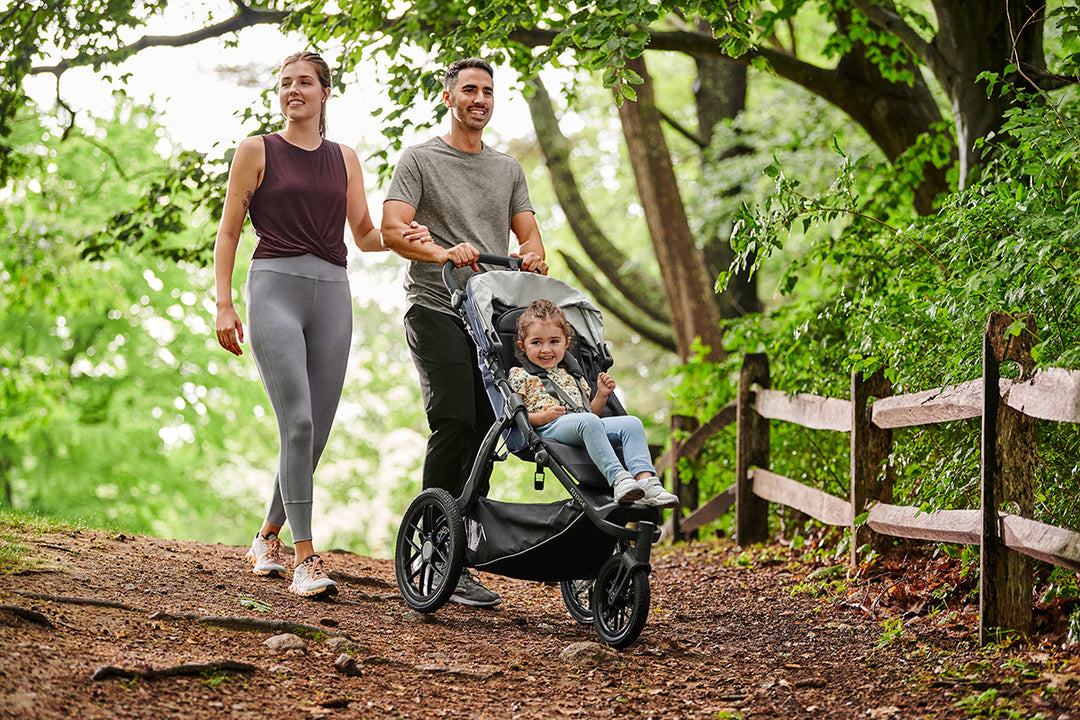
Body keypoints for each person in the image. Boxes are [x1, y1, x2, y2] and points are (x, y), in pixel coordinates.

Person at [213, 51, 430, 600]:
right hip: (274, 289)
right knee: (299, 422)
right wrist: (223, 304)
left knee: (315, 433)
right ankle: (305, 558)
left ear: (325, 92)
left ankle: (266, 535)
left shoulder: (345, 158)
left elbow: (366, 234)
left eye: (304, 82)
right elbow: (229, 232)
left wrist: (406, 237)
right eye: (285, 82)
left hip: (333, 292)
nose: (293, 90)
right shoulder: (256, 150)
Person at [381, 57, 547, 608]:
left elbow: (530, 238)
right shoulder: (420, 159)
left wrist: (532, 256)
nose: (480, 99)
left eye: (488, 92)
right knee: (454, 418)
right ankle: (431, 548)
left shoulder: (507, 170)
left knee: (485, 431)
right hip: (435, 306)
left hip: (491, 319)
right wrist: (441, 252)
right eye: (470, 90)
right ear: (448, 97)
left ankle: (461, 555)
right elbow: (391, 229)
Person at [510, 300, 679, 509]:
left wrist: (601, 394)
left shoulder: (573, 376)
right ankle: (619, 479)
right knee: (587, 421)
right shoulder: (520, 375)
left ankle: (646, 482)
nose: (546, 349)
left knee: (632, 423)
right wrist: (541, 418)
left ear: (566, 343)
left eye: (554, 341)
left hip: (582, 424)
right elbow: (515, 416)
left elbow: (591, 414)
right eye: (536, 342)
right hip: (549, 427)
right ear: (523, 346)